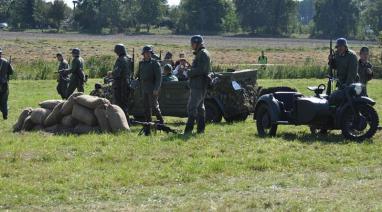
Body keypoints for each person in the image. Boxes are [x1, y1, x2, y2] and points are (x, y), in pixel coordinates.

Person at [184, 35, 211, 135]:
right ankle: (201, 130)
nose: (191, 45)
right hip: (200, 84)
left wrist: (189, 73)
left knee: (192, 107)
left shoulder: (202, 54)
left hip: (198, 84)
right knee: (200, 107)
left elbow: (201, 69)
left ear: (197, 43)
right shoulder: (202, 53)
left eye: (192, 43)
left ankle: (188, 130)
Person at [138, 45, 164, 135]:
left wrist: (156, 89)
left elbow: (159, 78)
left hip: (152, 89)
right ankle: (147, 127)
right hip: (144, 88)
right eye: (146, 53)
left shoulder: (155, 63)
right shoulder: (141, 64)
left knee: (154, 106)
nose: (148, 54)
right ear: (143, 54)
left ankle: (161, 123)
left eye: (149, 53)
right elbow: (139, 76)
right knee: (146, 108)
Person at [328, 38, 358, 105]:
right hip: (341, 82)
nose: (340, 48)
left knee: (351, 102)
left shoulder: (352, 56)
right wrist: (331, 60)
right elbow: (334, 66)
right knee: (338, 101)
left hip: (351, 83)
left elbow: (352, 73)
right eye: (338, 46)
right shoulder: (336, 54)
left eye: (341, 46)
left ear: (345, 47)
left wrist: (347, 85)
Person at [112, 44, 133, 121]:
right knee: (125, 103)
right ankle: (126, 120)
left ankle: (123, 120)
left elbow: (117, 73)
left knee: (119, 103)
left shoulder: (120, 60)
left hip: (120, 84)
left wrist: (111, 73)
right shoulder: (128, 58)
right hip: (127, 83)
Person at [0, 47, 14, 120]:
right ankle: (5, 116)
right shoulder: (5, 61)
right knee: (4, 101)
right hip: (4, 84)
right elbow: (11, 72)